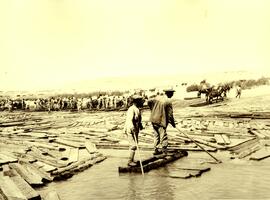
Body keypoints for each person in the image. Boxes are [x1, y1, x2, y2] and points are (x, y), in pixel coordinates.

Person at [148, 88, 176, 156]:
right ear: (170, 93)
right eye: (172, 93)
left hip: (153, 119)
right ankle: (164, 152)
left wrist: (152, 110)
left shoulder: (157, 98)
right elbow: (170, 114)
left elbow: (149, 101)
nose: (173, 94)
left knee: (156, 135)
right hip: (160, 121)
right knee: (163, 136)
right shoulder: (168, 101)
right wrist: (173, 123)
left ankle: (156, 150)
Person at [124, 95, 144, 166]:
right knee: (133, 145)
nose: (142, 102)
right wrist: (132, 127)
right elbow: (129, 120)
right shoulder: (131, 109)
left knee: (135, 144)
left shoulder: (138, 109)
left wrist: (140, 126)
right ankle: (129, 161)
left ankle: (132, 159)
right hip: (130, 129)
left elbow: (139, 119)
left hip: (135, 129)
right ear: (136, 102)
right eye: (140, 101)